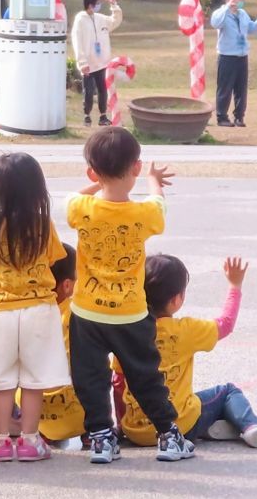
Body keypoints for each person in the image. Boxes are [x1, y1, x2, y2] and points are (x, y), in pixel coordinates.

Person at [66, 126, 195, 464]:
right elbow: (158, 204)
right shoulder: (143, 214)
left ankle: (101, 438)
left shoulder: (82, 208)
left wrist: (98, 182)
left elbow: (73, 198)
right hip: (130, 313)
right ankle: (168, 434)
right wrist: (152, 180)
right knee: (144, 375)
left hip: (87, 312)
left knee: (90, 378)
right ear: (136, 168)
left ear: (92, 171)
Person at [115, 255, 257, 449]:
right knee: (226, 392)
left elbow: (118, 383)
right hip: (176, 426)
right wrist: (235, 286)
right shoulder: (186, 329)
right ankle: (251, 426)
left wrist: (122, 426)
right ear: (175, 300)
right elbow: (226, 324)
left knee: (194, 403)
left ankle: (215, 427)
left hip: (136, 432)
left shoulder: (126, 334)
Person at [0, 152, 71, 463]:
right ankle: (30, 440)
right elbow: (56, 257)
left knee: (0, 381)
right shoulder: (43, 224)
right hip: (39, 308)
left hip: (0, 309)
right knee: (32, 379)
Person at [37, 245, 84, 448]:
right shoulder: (77, 313)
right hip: (78, 418)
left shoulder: (29, 311)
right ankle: (92, 433)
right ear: (67, 285)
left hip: (37, 418)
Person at [208, 0, 257, 127]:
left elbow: (252, 28)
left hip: (242, 56)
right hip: (227, 56)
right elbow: (215, 23)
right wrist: (227, 8)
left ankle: (239, 117)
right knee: (225, 88)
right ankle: (222, 117)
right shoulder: (221, 13)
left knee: (241, 89)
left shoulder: (242, 13)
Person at [69, 0, 122, 127]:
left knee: (103, 90)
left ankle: (103, 116)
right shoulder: (80, 19)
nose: (99, 6)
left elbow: (116, 21)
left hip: (102, 62)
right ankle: (87, 116)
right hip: (88, 63)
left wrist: (114, 5)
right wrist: (82, 63)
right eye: (97, 3)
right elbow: (77, 42)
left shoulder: (100, 18)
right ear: (90, 4)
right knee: (89, 91)